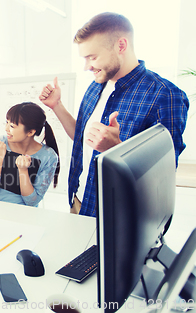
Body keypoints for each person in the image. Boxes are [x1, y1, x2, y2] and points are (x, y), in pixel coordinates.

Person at [39, 12, 189, 217]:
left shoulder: (165, 95)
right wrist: (57, 106)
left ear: (121, 46)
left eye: (92, 57)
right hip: (80, 203)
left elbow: (162, 176)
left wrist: (117, 149)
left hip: (120, 217)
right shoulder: (95, 86)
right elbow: (82, 138)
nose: (87, 67)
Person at [0, 102, 59, 206]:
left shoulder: (49, 156)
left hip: (24, 214)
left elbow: (32, 202)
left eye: (12, 126)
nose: (6, 129)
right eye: (6, 122)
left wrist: (23, 171)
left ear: (30, 132)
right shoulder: (0, 143)